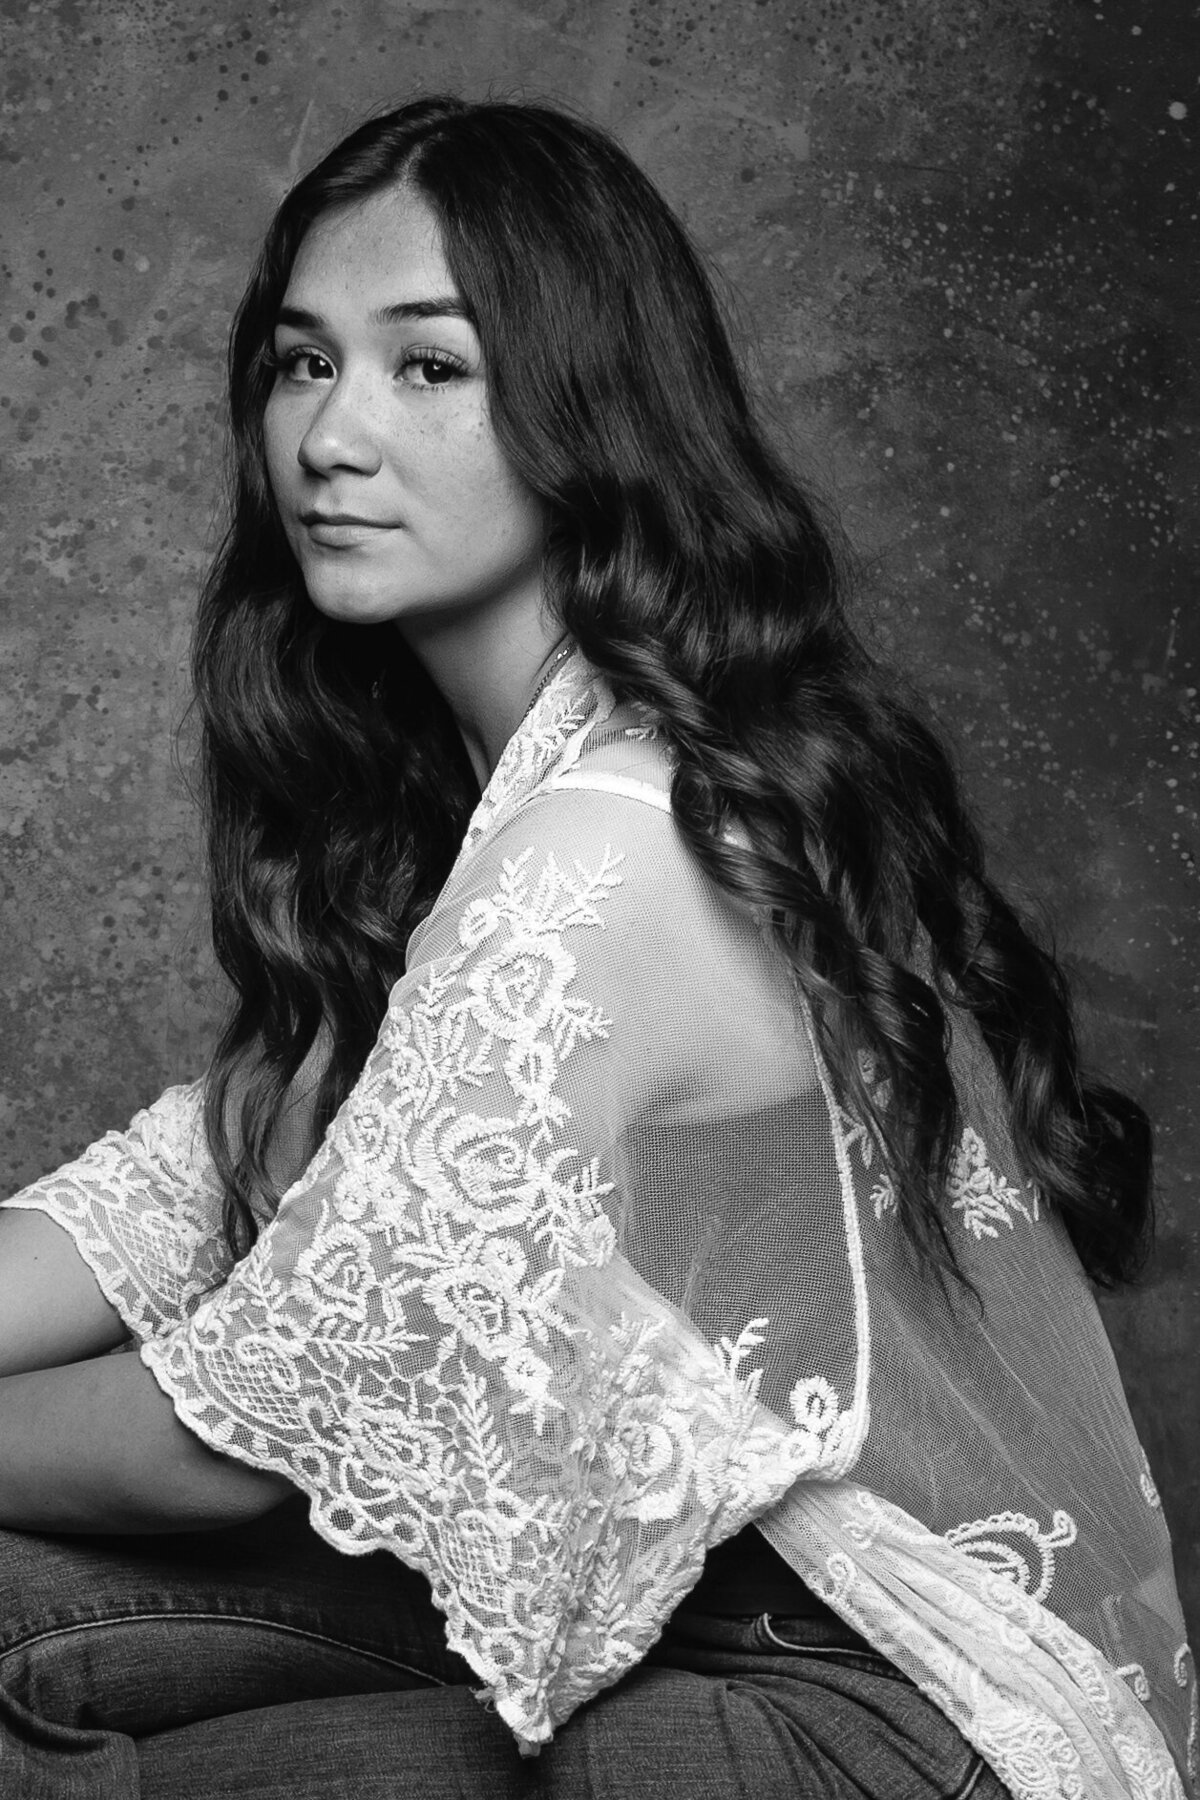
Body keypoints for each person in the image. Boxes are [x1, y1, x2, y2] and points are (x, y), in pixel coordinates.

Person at [0, 95, 1192, 1800]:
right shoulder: (511, 794)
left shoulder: (621, 840)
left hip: (891, 1713)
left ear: (586, 409)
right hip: (683, 1619)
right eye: (297, 363)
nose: (330, 436)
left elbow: (233, 1445)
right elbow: (206, 1175)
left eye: (429, 368)